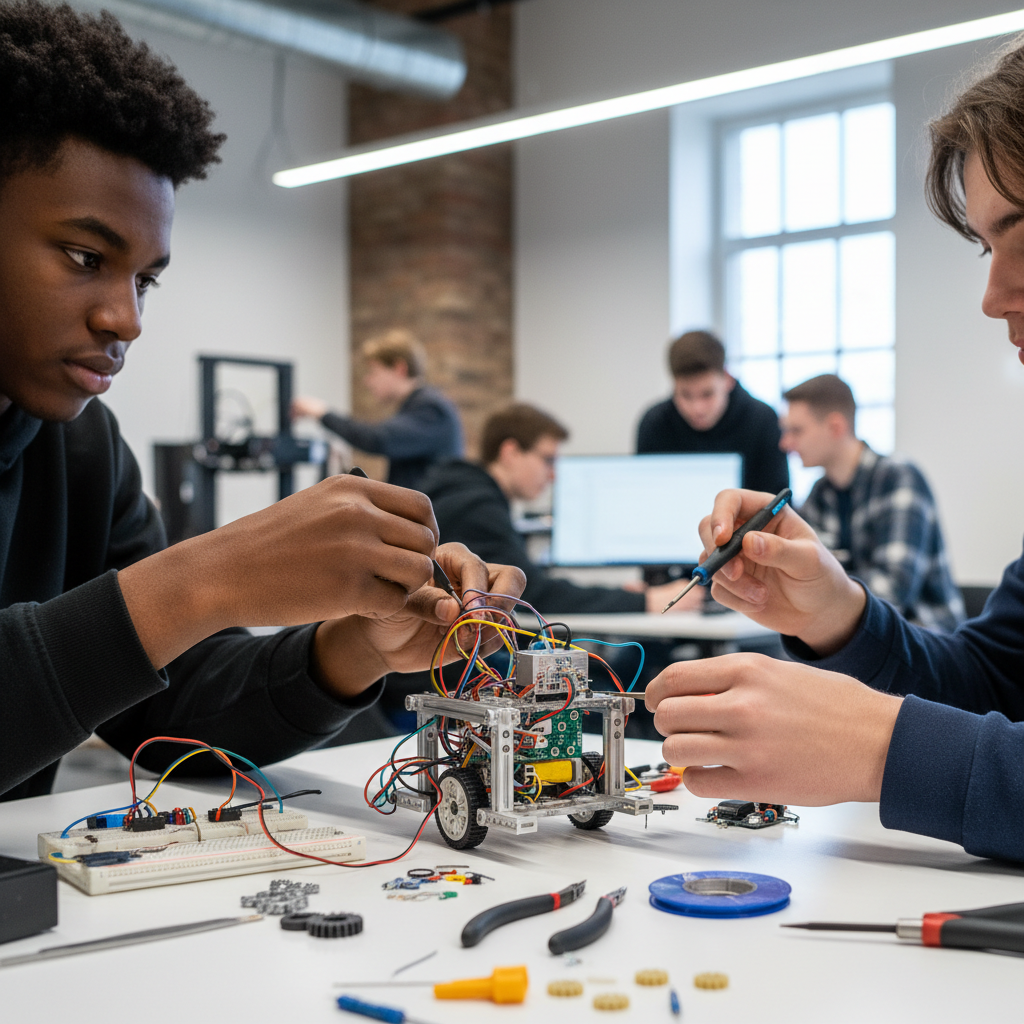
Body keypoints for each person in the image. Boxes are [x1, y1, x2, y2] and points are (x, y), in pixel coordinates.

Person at [0, 1, 523, 801]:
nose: (126, 319)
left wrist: (359, 649)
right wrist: (205, 579)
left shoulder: (79, 451)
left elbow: (169, 706)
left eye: (145, 280)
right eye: (83, 255)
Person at [645, 40, 1024, 864]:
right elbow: (995, 687)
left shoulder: (897, 483)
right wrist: (835, 617)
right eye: (986, 249)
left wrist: (883, 748)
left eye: (1019, 233)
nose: (993, 297)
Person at [422, 404, 694, 614]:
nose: (553, 476)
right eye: (548, 461)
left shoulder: (464, 493)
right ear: (510, 452)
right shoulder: (476, 507)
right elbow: (534, 594)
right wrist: (644, 601)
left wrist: (625, 594)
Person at [780, 374, 964, 632]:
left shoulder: (898, 477)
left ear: (835, 427)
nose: (785, 443)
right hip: (859, 636)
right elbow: (799, 575)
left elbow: (892, 590)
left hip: (924, 639)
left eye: (796, 430)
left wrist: (819, 585)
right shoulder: (820, 494)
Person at [291, 330, 463, 490]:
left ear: (399, 368)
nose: (368, 381)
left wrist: (322, 412)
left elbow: (379, 439)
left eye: (374, 371)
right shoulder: (418, 407)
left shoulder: (431, 410)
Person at [636, 330, 789, 494]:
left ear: (727, 379)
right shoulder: (655, 423)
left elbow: (777, 502)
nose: (697, 409)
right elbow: (646, 495)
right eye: (685, 395)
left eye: (707, 394)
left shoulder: (763, 420)